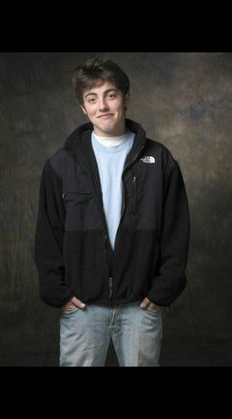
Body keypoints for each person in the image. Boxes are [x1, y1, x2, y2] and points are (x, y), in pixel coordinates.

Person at [34, 57, 190, 366]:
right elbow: (48, 233)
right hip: (82, 307)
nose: (102, 105)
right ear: (83, 108)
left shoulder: (160, 161)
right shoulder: (61, 165)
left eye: (110, 95)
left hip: (140, 306)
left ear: (126, 97)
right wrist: (58, 292)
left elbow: (176, 230)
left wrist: (163, 291)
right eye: (92, 99)